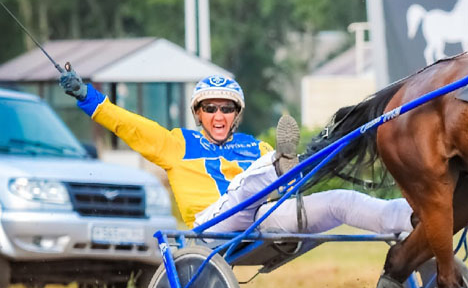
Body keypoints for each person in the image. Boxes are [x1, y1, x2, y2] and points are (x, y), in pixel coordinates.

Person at [58, 71, 413, 236]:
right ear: (198, 113)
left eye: (226, 109)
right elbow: (128, 125)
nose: (218, 116)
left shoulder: (253, 146)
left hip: (263, 218)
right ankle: (291, 164)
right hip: (212, 223)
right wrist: (87, 97)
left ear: (236, 114)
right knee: (251, 182)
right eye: (209, 108)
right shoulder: (175, 143)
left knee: (342, 201)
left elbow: (274, 188)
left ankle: (413, 216)